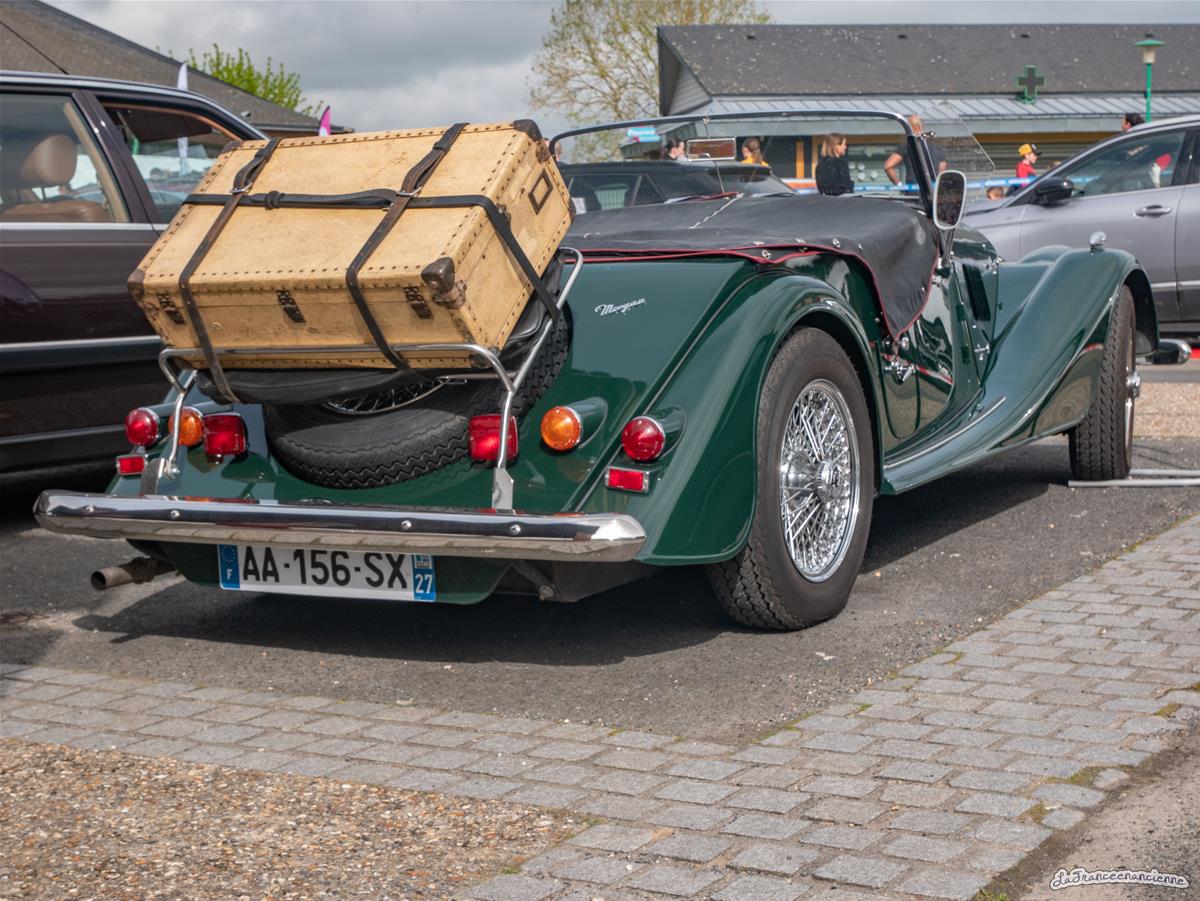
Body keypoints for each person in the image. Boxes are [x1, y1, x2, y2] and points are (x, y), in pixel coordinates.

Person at [883, 114, 946, 190]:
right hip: (932, 191)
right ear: (921, 127)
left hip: (913, 192)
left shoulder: (907, 146)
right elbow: (942, 171)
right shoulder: (937, 147)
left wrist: (899, 185)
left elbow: (888, 166)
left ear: (908, 127)